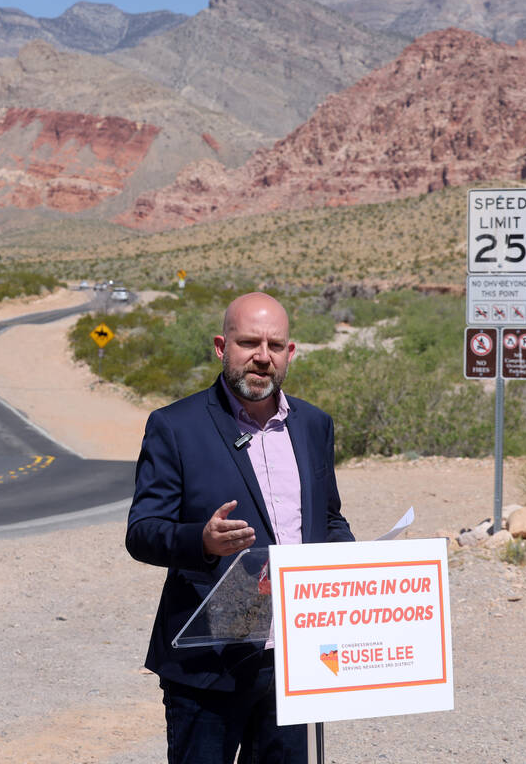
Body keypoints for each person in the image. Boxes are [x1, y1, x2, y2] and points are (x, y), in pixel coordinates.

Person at [126, 292, 355, 764]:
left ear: (290, 353)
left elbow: (328, 517)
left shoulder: (314, 425)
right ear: (220, 346)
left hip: (294, 659)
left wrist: (356, 565)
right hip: (208, 666)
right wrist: (202, 541)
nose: (262, 356)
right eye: (249, 342)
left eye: (275, 345)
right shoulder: (175, 426)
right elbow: (143, 530)